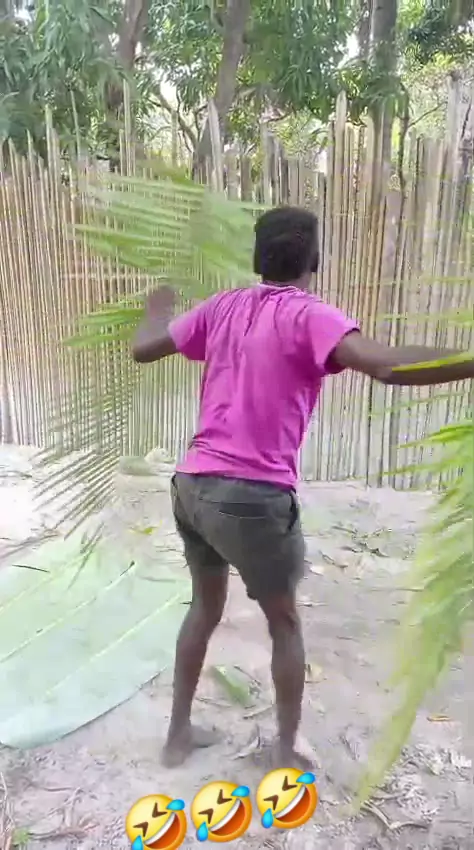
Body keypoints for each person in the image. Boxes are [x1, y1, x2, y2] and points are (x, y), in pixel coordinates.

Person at [132, 206, 474, 769]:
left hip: (191, 486)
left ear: (256, 257)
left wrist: (157, 308)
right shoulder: (311, 316)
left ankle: (177, 736)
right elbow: (386, 366)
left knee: (204, 606)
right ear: (315, 258)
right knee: (284, 622)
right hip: (253, 498)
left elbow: (144, 347)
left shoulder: (222, 306)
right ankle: (287, 748)